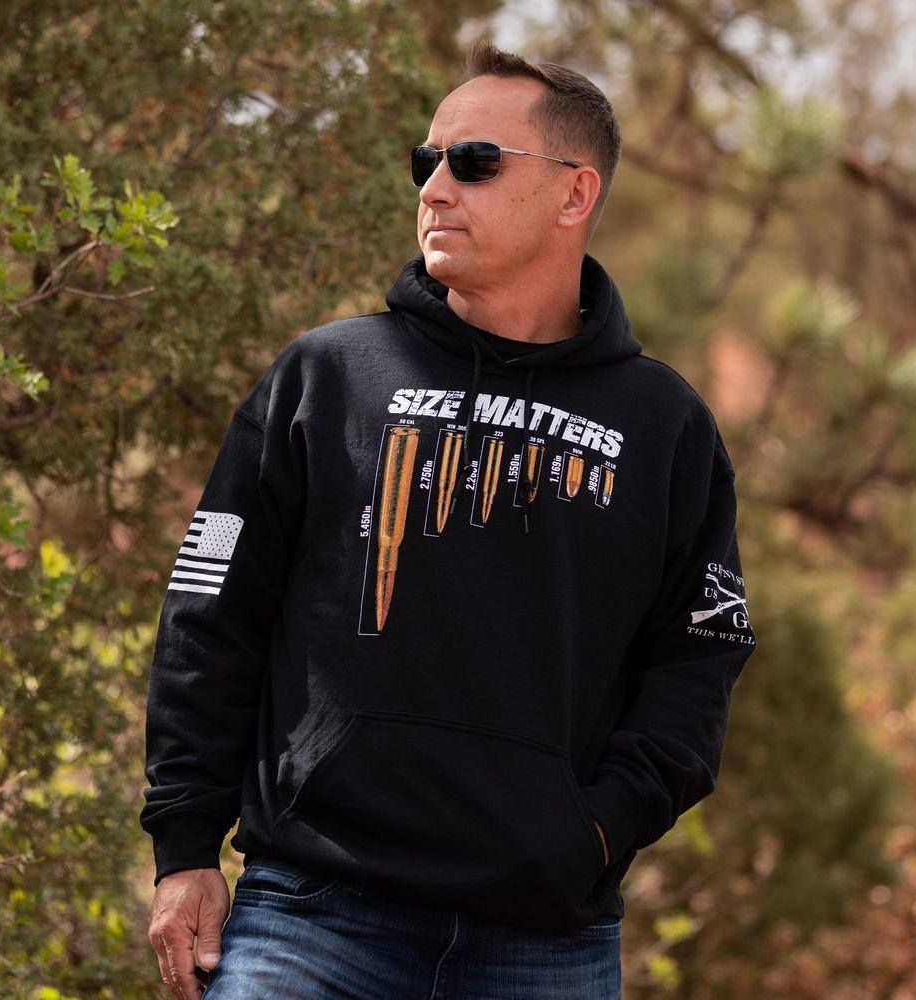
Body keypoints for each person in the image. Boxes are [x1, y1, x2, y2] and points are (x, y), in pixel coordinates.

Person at [141, 39, 758, 1000]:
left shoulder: (665, 426)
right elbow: (209, 613)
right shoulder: (327, 377)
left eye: (474, 162)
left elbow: (699, 660)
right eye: (425, 160)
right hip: (311, 919)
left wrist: (596, 830)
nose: (434, 188)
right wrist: (184, 847)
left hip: (545, 947)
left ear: (575, 194)